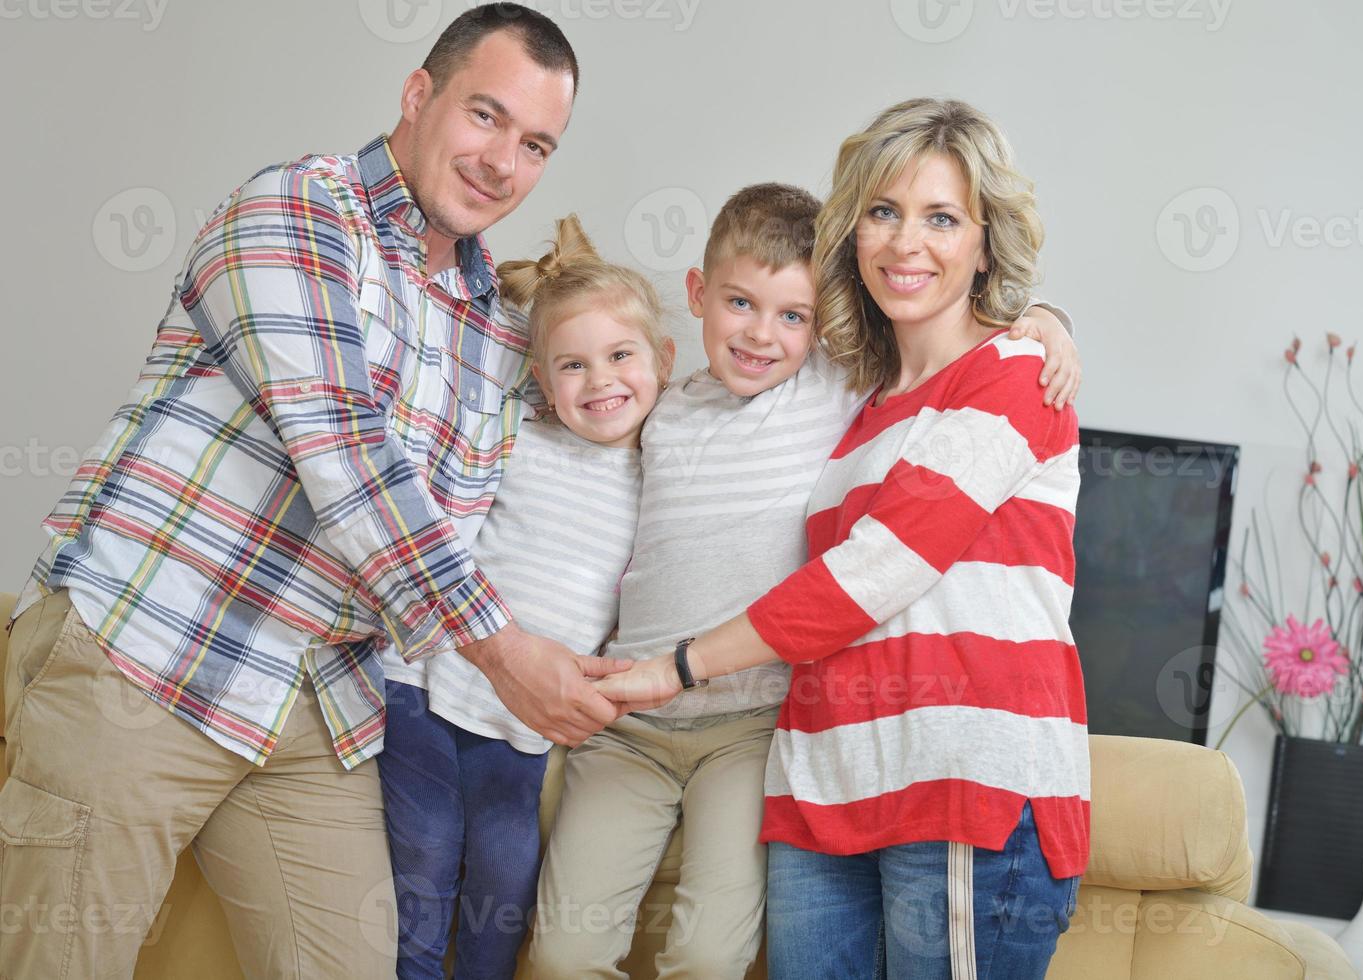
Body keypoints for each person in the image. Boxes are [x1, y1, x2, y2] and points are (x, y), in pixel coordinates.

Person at [0, 7, 610, 978]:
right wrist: (504, 652)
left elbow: (597, 433)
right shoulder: (296, 209)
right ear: (418, 96)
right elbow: (344, 449)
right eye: (484, 116)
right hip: (144, 644)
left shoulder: (496, 329)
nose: (502, 161)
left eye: (534, 142)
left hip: (315, 698)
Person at [593, 98, 1090, 980]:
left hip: (961, 791)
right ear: (851, 233)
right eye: (884, 212)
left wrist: (673, 666)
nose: (908, 244)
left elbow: (872, 574)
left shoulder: (1014, 373)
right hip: (821, 791)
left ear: (983, 239)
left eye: (942, 218)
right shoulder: (851, 407)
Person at [376, 215, 673, 980]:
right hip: (425, 691)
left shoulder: (670, 470)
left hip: (525, 728)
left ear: (662, 361)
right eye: (571, 365)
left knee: (506, 887)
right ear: (540, 379)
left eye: (619, 356)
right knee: (424, 864)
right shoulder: (517, 440)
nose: (600, 381)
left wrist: (1037, 319)